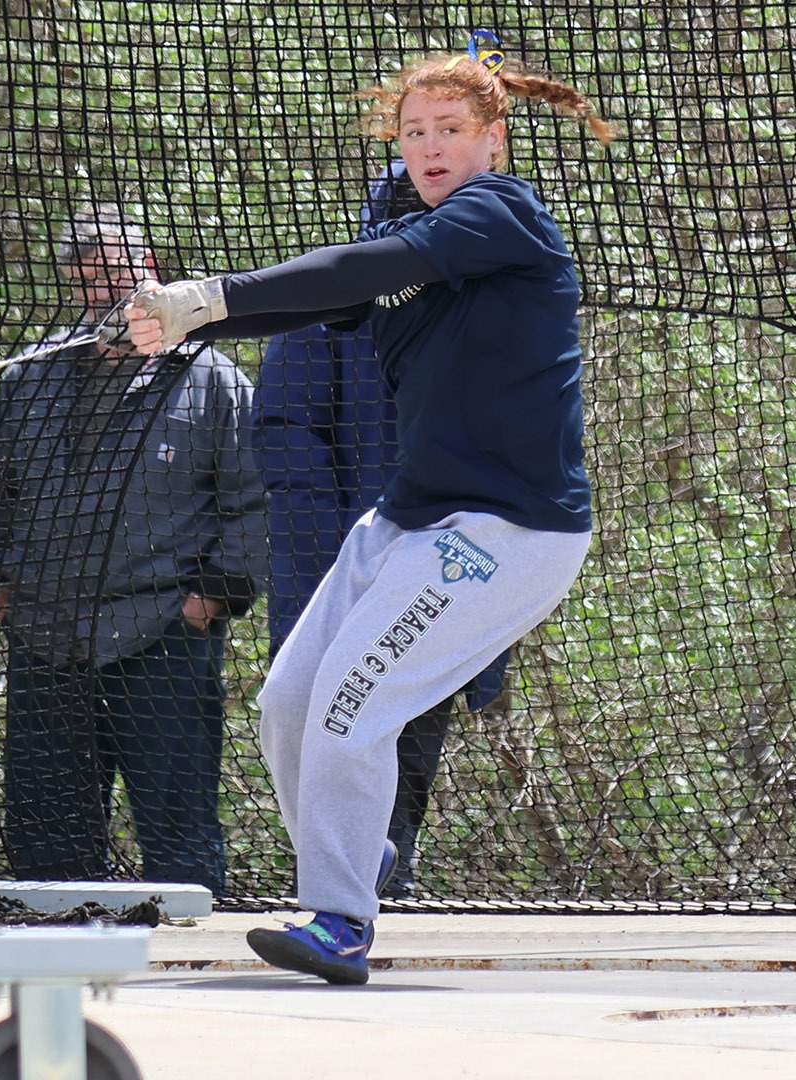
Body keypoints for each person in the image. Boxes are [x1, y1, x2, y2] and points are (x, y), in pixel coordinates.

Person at [127, 37, 612, 982]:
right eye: (414, 132)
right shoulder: (417, 245)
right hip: (407, 520)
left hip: (509, 531)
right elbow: (330, 298)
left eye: (451, 131)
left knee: (353, 711)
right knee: (289, 704)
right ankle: (364, 858)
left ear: (494, 140)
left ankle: (341, 918)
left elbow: (357, 267)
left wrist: (211, 294)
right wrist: (198, 317)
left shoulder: (501, 214)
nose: (431, 148)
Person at [0, 204, 267, 894]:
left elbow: (256, 500)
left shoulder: (211, 379)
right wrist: (0, 580)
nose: (105, 291)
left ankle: (185, 967)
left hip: (162, 632)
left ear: (151, 274)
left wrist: (213, 596)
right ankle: (56, 970)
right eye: (87, 277)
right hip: (46, 636)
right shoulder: (33, 376)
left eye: (117, 273)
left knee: (178, 826)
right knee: (45, 833)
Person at [254, 158, 508, 901]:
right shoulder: (342, 299)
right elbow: (287, 433)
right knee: (332, 717)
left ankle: (385, 873)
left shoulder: (488, 311)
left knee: (412, 723)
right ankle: (348, 885)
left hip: (448, 568)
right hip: (354, 567)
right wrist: (347, 567)